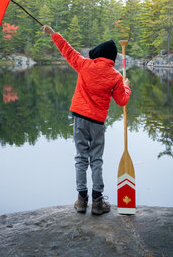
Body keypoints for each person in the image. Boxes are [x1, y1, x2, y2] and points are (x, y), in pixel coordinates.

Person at [42, 25, 131, 215]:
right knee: (96, 159)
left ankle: (82, 201)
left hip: (80, 119)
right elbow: (122, 100)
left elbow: (67, 50)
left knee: (81, 157)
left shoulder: (84, 65)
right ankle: (98, 202)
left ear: (99, 54)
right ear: (112, 58)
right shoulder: (115, 76)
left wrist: (53, 34)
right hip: (97, 122)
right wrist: (126, 86)